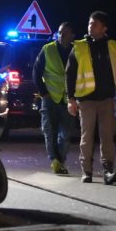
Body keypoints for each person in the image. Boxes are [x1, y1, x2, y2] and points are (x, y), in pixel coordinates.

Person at [65, 11, 116, 184]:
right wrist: (70, 99)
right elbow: (69, 74)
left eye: (94, 24)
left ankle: (108, 171)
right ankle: (86, 171)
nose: (90, 27)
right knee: (86, 137)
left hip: (106, 99)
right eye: (89, 23)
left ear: (104, 28)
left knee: (107, 136)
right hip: (86, 100)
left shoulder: (113, 46)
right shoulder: (79, 47)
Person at [34, 22, 76, 174]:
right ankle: (55, 161)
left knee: (66, 134)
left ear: (72, 36)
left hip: (68, 99)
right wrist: (43, 92)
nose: (61, 35)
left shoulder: (76, 51)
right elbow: (36, 72)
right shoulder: (48, 49)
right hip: (50, 97)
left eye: (65, 33)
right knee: (49, 132)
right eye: (60, 32)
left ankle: (60, 160)